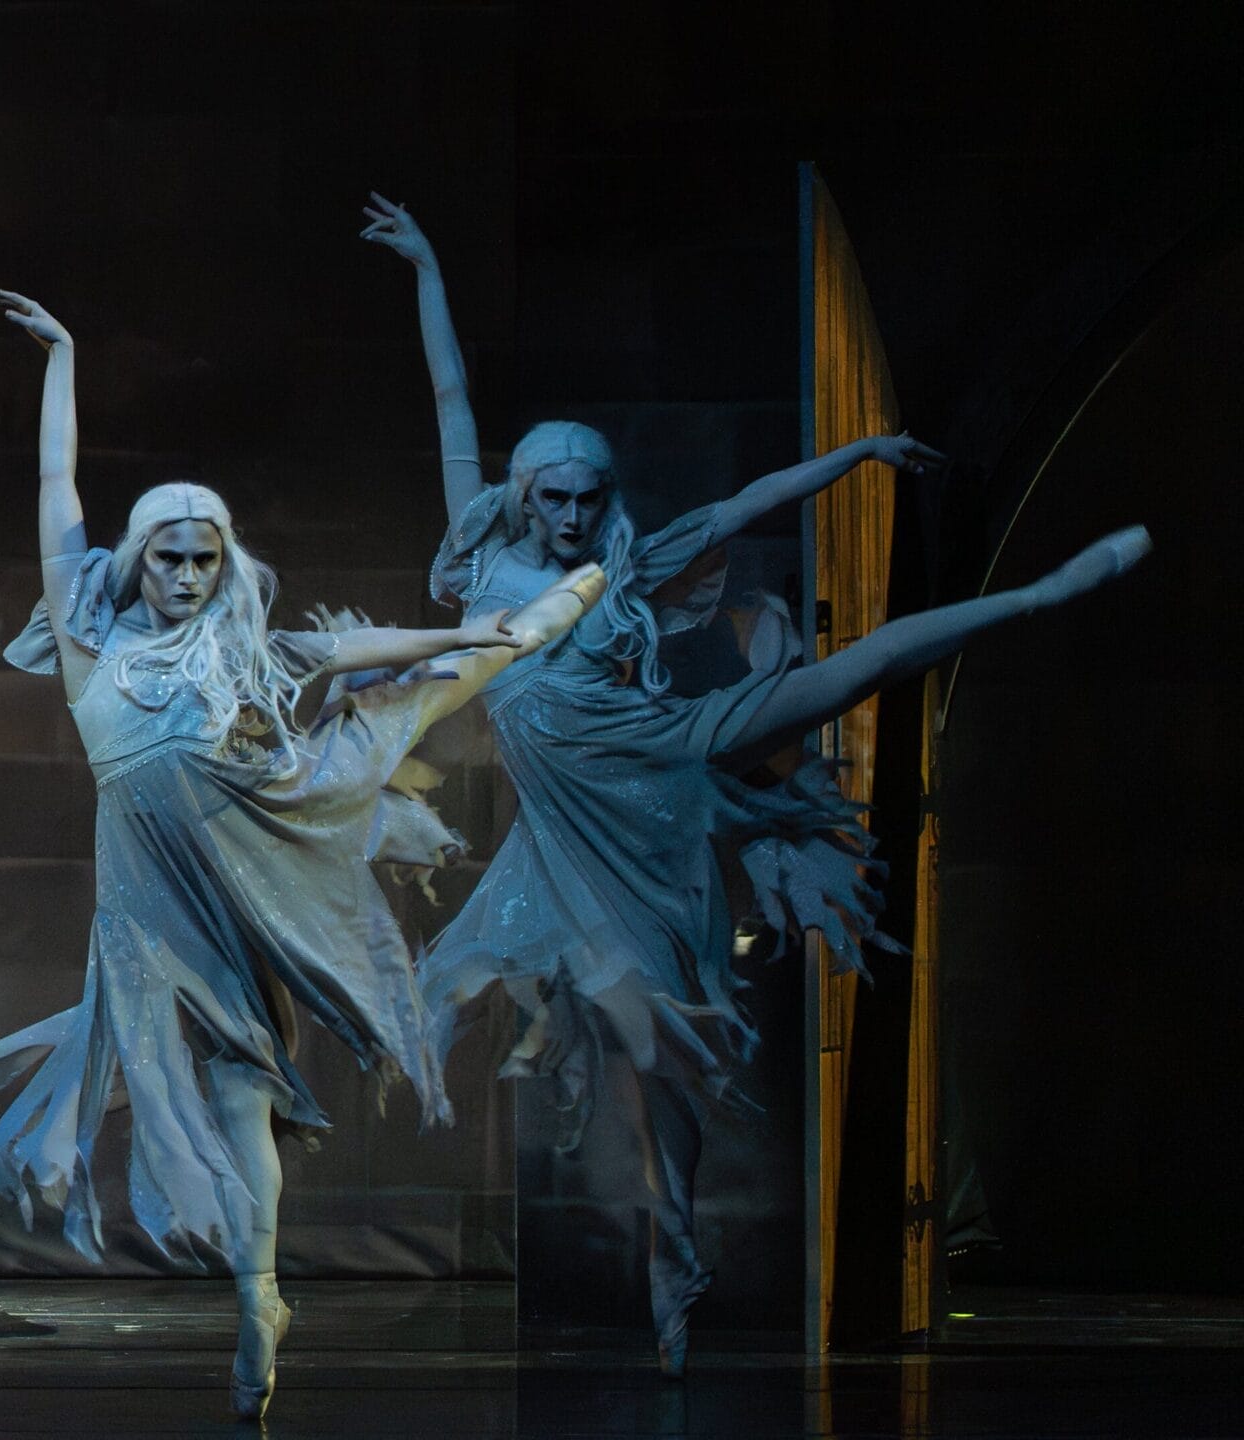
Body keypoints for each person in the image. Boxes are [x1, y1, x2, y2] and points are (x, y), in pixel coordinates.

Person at [365, 194, 1153, 1375]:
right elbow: (449, 402)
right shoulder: (480, 561)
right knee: (647, 1042)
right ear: (524, 494)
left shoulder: (628, 561)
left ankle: (1039, 595)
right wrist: (428, 265)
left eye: (588, 498)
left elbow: (743, 506)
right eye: (554, 498)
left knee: (836, 683)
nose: (573, 517)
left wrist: (860, 455)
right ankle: (671, 1251)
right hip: (571, 831)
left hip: (666, 759)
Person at [0, 288, 606, 1421]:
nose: (187, 577)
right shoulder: (92, 644)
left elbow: (338, 647)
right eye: (170, 559)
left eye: (204, 560)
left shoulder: (246, 653)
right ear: (139, 562)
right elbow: (54, 494)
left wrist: (462, 631)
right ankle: (255, 1291)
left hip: (250, 862)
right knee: (190, 1091)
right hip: (144, 908)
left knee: (400, 708)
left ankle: (258, 1296)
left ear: (222, 562)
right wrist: (64, 360)